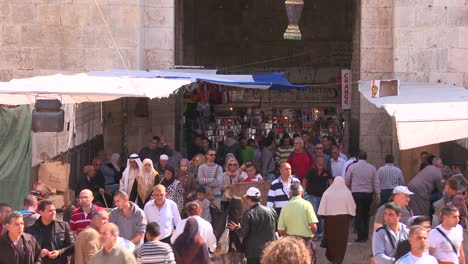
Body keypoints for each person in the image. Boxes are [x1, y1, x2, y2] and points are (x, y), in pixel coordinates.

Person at [228, 187, 277, 264]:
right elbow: (275, 229)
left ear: (248, 199)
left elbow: (243, 233)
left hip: (253, 253)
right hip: (270, 251)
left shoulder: (249, 214)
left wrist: (236, 228)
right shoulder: (271, 211)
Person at [318, 176, 356, 264]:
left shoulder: (327, 192)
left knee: (332, 239)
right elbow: (352, 207)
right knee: (341, 240)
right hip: (343, 220)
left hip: (330, 220)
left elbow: (322, 210)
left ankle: (332, 257)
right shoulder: (347, 193)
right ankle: (339, 259)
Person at [345, 150, 380, 242]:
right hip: (368, 194)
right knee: (366, 215)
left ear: (358, 157)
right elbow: (376, 182)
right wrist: (378, 194)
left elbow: (347, 180)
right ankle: (365, 235)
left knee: (358, 214)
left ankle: (360, 235)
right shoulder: (372, 168)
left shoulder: (352, 167)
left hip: (356, 193)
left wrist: (348, 188)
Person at [26, 200, 74, 264]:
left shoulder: (63, 226)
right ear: (41, 212)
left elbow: (72, 246)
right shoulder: (31, 230)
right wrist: (39, 253)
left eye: (54, 210)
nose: (53, 213)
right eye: (50, 211)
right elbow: (26, 250)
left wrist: (59, 252)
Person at [302, 156, 332, 239]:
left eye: (322, 165)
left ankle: (320, 233)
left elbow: (331, 183)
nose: (321, 167)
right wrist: (303, 192)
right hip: (312, 195)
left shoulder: (326, 172)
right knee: (314, 214)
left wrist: (330, 193)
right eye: (319, 165)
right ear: (316, 164)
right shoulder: (312, 171)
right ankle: (314, 233)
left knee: (321, 215)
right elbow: (304, 180)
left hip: (322, 196)